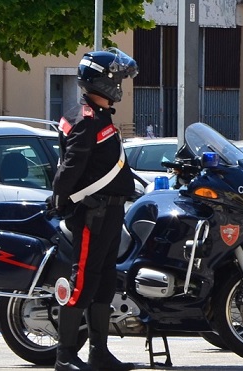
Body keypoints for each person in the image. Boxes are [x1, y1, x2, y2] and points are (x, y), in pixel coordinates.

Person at [51, 47, 138, 371]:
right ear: (102, 81)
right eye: (117, 79)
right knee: (84, 280)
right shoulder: (86, 119)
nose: (121, 85)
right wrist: (61, 199)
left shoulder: (99, 116)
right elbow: (70, 169)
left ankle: (98, 353)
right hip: (93, 214)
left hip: (111, 213)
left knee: (103, 283)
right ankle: (64, 356)